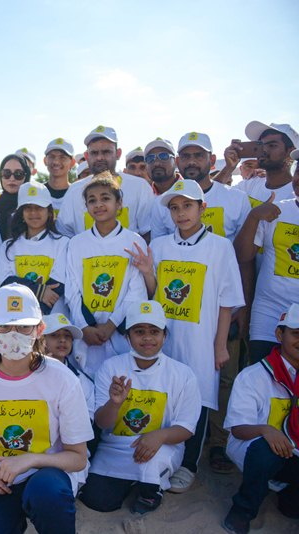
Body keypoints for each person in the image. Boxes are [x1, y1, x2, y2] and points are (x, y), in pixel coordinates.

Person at [133, 179, 244, 492]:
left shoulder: (220, 247)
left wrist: (220, 345)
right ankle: (162, 457)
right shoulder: (160, 246)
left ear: (202, 207)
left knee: (199, 398)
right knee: (165, 395)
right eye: (174, 207)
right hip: (165, 338)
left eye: (187, 206)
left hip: (200, 339)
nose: (181, 213)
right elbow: (154, 294)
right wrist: (147, 272)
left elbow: (226, 301)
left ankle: (188, 464)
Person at [0, 284, 93, 534]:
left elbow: (78, 458)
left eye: (23, 327)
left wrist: (31, 459)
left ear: (39, 329)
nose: (13, 334)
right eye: (4, 327)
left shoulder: (63, 379)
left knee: (48, 493)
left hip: (48, 475)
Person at [79, 301, 200, 515]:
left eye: (154, 331)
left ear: (165, 335)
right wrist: (114, 403)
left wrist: (159, 436)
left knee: (148, 484)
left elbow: (187, 428)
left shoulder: (183, 374)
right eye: (139, 331)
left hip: (161, 447)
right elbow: (101, 423)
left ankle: (151, 489)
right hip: (116, 448)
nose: (147, 338)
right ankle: (132, 482)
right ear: (127, 336)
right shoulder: (111, 367)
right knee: (97, 500)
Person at [222, 304, 299, 534]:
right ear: (279, 335)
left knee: (291, 510)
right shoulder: (253, 376)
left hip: (294, 454)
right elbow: (238, 428)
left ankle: (286, 492)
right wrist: (266, 430)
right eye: (296, 334)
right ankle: (243, 509)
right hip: (256, 450)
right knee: (265, 451)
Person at [64, 173, 147, 378]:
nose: (98, 205)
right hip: (87, 337)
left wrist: (111, 325)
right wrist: (85, 327)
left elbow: (137, 291)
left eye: (105, 198)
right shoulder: (76, 243)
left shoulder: (134, 241)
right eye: (92, 200)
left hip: (120, 335)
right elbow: (72, 290)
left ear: (119, 204)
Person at [233, 160, 299, 363]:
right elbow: (242, 256)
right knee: (262, 373)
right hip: (269, 312)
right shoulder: (275, 211)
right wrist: (254, 217)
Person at [57, 125, 153, 239]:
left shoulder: (140, 187)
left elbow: (148, 232)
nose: (99, 158)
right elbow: (64, 234)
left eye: (106, 152)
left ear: (118, 154)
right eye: (94, 153)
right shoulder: (74, 190)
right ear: (87, 156)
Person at [0, 182, 68, 316]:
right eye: (28, 208)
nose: (33, 212)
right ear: (21, 213)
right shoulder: (8, 246)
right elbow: (5, 283)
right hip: (16, 318)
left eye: (39, 207)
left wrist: (35, 315)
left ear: (49, 211)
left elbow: (58, 286)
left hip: (53, 319)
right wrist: (39, 290)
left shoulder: (63, 243)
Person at [229, 121, 298, 207]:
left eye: (272, 145)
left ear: (290, 151)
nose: (264, 150)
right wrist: (228, 168)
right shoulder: (250, 184)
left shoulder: (295, 194)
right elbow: (215, 198)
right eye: (260, 145)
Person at [42, 313, 93, 421]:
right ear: (42, 340)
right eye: (54, 335)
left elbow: (87, 420)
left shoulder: (82, 380)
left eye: (67, 336)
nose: (62, 340)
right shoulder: (26, 373)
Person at [0, 153, 32, 241]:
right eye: (6, 173)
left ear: (26, 177)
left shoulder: (34, 208)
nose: (12, 179)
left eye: (18, 174)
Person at [42, 138, 76, 216]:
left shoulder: (77, 194)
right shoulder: (38, 193)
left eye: (62, 157)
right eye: (52, 157)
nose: (56, 162)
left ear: (72, 163)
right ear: (45, 161)